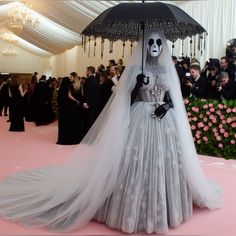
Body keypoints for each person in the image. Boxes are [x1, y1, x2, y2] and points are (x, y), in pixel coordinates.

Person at [0, 31, 223, 234]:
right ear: (144, 46)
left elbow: (174, 99)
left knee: (166, 162)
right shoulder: (137, 68)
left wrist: (167, 106)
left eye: (158, 42)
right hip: (140, 119)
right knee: (133, 161)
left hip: (164, 122)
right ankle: (127, 209)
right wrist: (136, 85)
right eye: (151, 42)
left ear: (163, 46)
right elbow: (124, 99)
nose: (154, 46)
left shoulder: (167, 69)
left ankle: (166, 207)